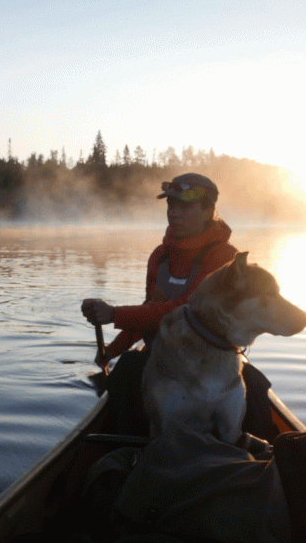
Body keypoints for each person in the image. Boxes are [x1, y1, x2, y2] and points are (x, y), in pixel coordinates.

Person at [81, 173, 277, 438]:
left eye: (185, 207)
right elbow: (151, 311)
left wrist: (114, 314)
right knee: (126, 369)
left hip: (213, 363)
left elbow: (186, 309)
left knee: (254, 385)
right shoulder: (159, 256)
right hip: (165, 359)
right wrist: (111, 351)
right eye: (171, 206)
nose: (174, 214)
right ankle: (133, 453)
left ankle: (254, 461)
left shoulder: (225, 258)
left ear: (208, 210)